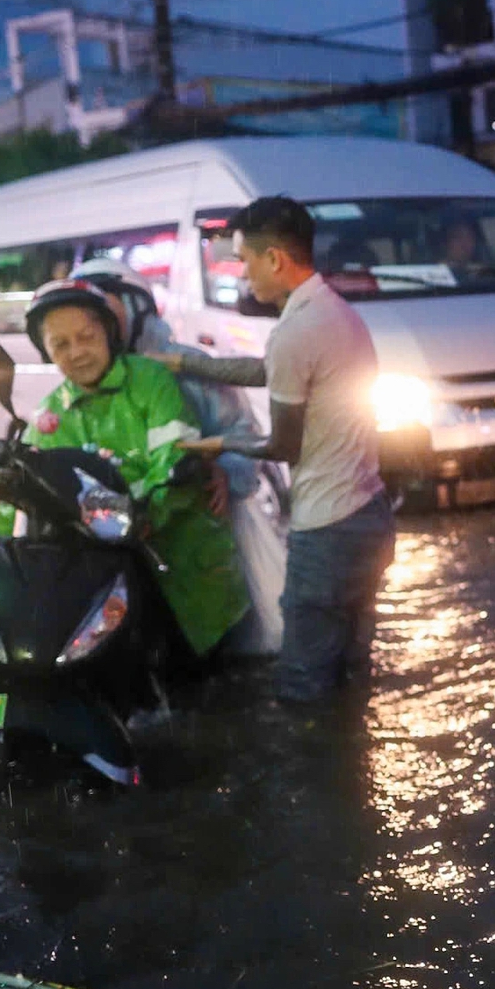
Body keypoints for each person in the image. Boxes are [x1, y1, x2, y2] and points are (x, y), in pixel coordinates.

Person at [0, 281, 250, 730]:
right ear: (45, 352)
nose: (76, 352)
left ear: (110, 334)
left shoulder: (151, 383)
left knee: (207, 713)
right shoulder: (50, 416)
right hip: (99, 572)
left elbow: (178, 456)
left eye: (86, 337)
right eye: (60, 344)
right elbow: (25, 497)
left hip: (180, 572)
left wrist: (148, 514)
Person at [159, 197, 395, 703]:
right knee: (352, 671)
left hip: (327, 529)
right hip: (369, 513)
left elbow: (283, 446)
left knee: (302, 684)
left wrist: (211, 444)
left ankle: (317, 777)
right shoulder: (333, 312)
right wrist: (189, 367)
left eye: (244, 261)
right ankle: (353, 769)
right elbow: (266, 369)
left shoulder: (297, 330)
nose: (244, 276)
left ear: (275, 260)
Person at [71, 258, 261, 518]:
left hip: (203, 526)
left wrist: (227, 473)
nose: (97, 327)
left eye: (104, 312)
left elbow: (243, 434)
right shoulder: (79, 387)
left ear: (135, 306)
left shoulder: (186, 369)